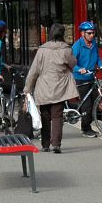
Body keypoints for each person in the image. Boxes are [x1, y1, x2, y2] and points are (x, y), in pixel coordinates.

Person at [23, 23, 77, 153]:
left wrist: (27, 88)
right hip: (60, 88)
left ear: (50, 33)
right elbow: (73, 63)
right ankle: (56, 144)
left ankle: (45, 144)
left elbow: (34, 71)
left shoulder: (42, 50)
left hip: (43, 88)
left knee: (45, 116)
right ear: (62, 34)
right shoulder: (66, 49)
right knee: (57, 116)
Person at [72, 21, 102, 138]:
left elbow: (98, 58)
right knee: (86, 105)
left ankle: (87, 126)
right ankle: (85, 129)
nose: (92, 35)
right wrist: (79, 69)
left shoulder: (94, 44)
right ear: (83, 33)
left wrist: (101, 65)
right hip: (81, 79)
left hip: (92, 77)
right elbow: (71, 63)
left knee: (96, 102)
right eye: (89, 33)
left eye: (93, 33)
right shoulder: (77, 46)